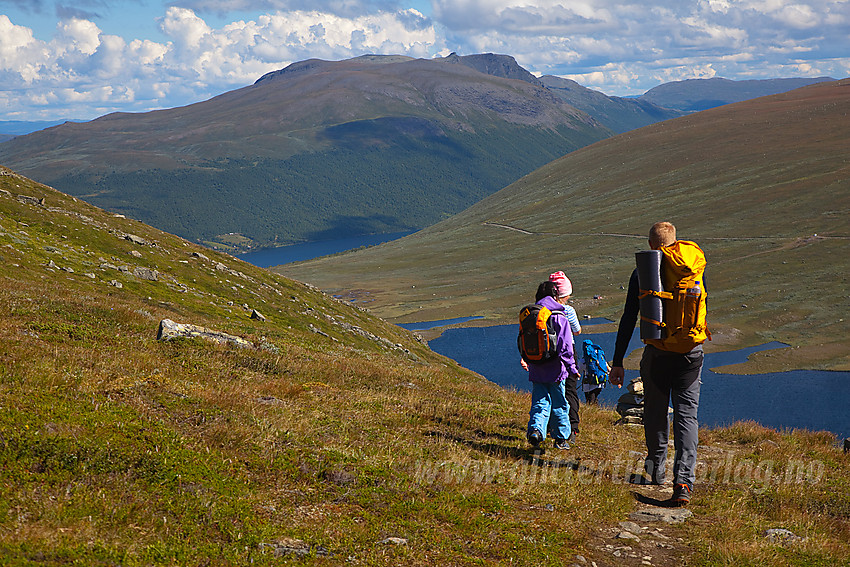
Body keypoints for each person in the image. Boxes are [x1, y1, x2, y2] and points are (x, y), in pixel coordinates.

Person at [608, 221, 705, 507]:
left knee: (655, 411)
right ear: (676, 241)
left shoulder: (644, 273)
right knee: (687, 417)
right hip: (691, 352)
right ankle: (684, 482)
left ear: (651, 245)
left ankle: (656, 471)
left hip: (658, 354)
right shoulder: (692, 268)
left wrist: (617, 361)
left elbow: (628, 319)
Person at [524, 281, 581, 450]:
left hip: (536, 367)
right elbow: (565, 347)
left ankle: (536, 430)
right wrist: (572, 368)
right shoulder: (559, 315)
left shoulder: (531, 314)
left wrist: (527, 360)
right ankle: (561, 439)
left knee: (540, 402)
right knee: (560, 403)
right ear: (555, 296)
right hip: (556, 370)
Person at [548, 271, 581, 442]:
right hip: (568, 350)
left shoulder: (542, 309)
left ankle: (551, 425)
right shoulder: (568, 310)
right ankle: (572, 428)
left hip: (549, 352)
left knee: (552, 387)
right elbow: (577, 330)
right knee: (570, 389)